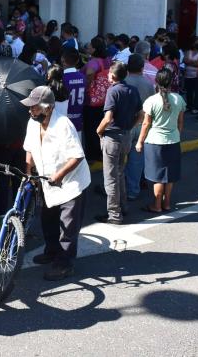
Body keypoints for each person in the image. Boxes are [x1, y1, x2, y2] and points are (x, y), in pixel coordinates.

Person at [22, 86, 90, 281]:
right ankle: (51, 251)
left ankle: (64, 264)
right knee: (48, 219)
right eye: (30, 107)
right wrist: (28, 174)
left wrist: (59, 175)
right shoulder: (33, 123)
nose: (31, 111)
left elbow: (77, 156)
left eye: (34, 107)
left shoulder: (63, 125)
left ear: (49, 107)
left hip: (70, 183)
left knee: (67, 227)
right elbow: (29, 149)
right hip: (47, 181)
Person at [96, 61, 141, 225]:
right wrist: (130, 126)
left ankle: (114, 214)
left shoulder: (113, 91)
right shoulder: (132, 90)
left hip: (113, 137)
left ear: (113, 76)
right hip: (126, 136)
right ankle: (123, 206)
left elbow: (108, 118)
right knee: (120, 172)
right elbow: (140, 114)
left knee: (110, 177)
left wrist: (99, 130)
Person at [135, 67, 186, 213]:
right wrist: (177, 134)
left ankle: (156, 205)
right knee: (169, 176)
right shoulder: (179, 99)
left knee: (158, 177)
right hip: (173, 140)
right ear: (171, 82)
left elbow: (146, 124)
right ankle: (167, 203)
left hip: (155, 142)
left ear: (156, 82)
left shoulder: (151, 101)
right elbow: (180, 122)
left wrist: (140, 142)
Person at [124, 54, 155, 202]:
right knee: (136, 161)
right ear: (142, 68)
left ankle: (114, 190)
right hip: (142, 125)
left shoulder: (123, 82)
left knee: (117, 160)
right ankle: (132, 190)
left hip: (125, 125)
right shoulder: (149, 84)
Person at [59, 47, 86, 136]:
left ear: (62, 60)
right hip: (78, 121)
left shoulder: (61, 79)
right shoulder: (83, 77)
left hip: (63, 122)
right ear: (78, 61)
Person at [184, 37, 198, 114]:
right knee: (189, 91)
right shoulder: (188, 51)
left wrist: (190, 62)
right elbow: (185, 60)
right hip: (187, 75)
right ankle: (189, 106)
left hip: (196, 75)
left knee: (196, 91)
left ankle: (196, 107)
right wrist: (194, 63)